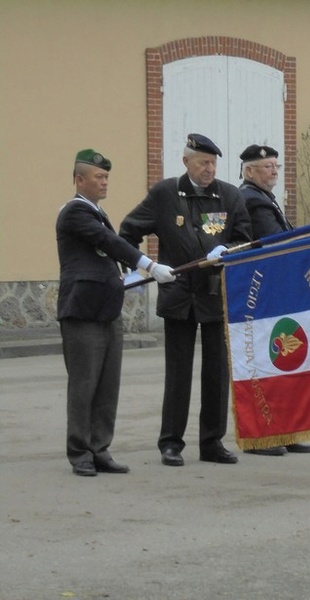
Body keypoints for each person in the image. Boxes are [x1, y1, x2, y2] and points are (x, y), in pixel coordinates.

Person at [120, 134, 251, 466]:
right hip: (178, 296)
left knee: (216, 373)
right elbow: (128, 231)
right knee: (178, 373)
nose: (209, 169)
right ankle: (171, 442)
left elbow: (245, 240)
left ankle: (212, 441)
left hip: (214, 296)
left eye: (213, 163)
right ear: (186, 162)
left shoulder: (229, 195)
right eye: (203, 162)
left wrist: (229, 252)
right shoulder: (165, 194)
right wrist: (140, 267)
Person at [57, 149, 176, 476]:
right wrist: (148, 263)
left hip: (107, 309)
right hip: (81, 311)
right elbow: (107, 242)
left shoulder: (96, 211)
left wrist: (131, 275)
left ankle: (100, 448)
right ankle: (80, 451)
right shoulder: (75, 212)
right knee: (84, 386)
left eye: (107, 176)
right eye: (99, 177)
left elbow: (106, 252)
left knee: (108, 385)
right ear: (79, 180)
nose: (105, 181)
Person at [238, 143, 310, 456]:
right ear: (249, 171)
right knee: (263, 366)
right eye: (267, 166)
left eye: (275, 166)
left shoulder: (265, 199)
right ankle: (261, 435)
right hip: (263, 296)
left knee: (282, 363)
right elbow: (276, 243)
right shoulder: (252, 201)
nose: (273, 172)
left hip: (276, 293)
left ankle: (283, 430)